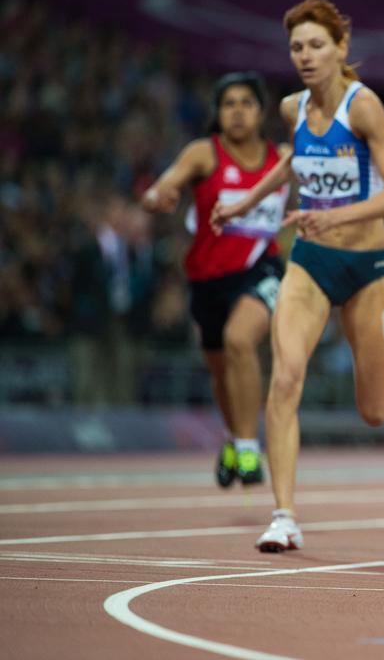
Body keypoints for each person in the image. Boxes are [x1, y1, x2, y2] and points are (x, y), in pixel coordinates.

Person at [212, 0, 384, 552]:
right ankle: (283, 516)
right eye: (296, 46)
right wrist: (242, 201)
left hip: (369, 267)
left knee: (374, 411)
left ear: (340, 48)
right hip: (311, 262)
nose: (305, 55)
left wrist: (332, 215)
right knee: (285, 377)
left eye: (316, 45)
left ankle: (381, 370)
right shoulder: (289, 108)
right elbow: (291, 161)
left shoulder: (364, 107)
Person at [141, 72, 286, 486]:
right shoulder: (204, 153)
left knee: (242, 340)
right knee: (222, 372)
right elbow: (160, 188)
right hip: (207, 279)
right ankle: (233, 436)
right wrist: (157, 198)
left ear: (260, 112)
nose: (238, 112)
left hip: (261, 269)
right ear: (218, 114)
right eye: (229, 104)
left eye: (246, 103)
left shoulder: (284, 157)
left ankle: (247, 448)